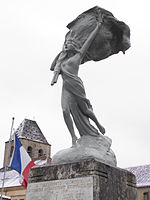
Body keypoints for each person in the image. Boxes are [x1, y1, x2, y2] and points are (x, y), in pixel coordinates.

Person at [51, 21, 105, 146]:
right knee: (65, 111)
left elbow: (89, 41)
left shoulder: (78, 56)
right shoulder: (62, 60)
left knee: (85, 109)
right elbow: (52, 67)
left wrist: (97, 26)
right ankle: (73, 136)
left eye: (70, 43)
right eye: (67, 43)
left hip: (76, 84)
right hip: (66, 87)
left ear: (74, 46)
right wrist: (62, 54)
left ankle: (98, 124)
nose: (68, 44)